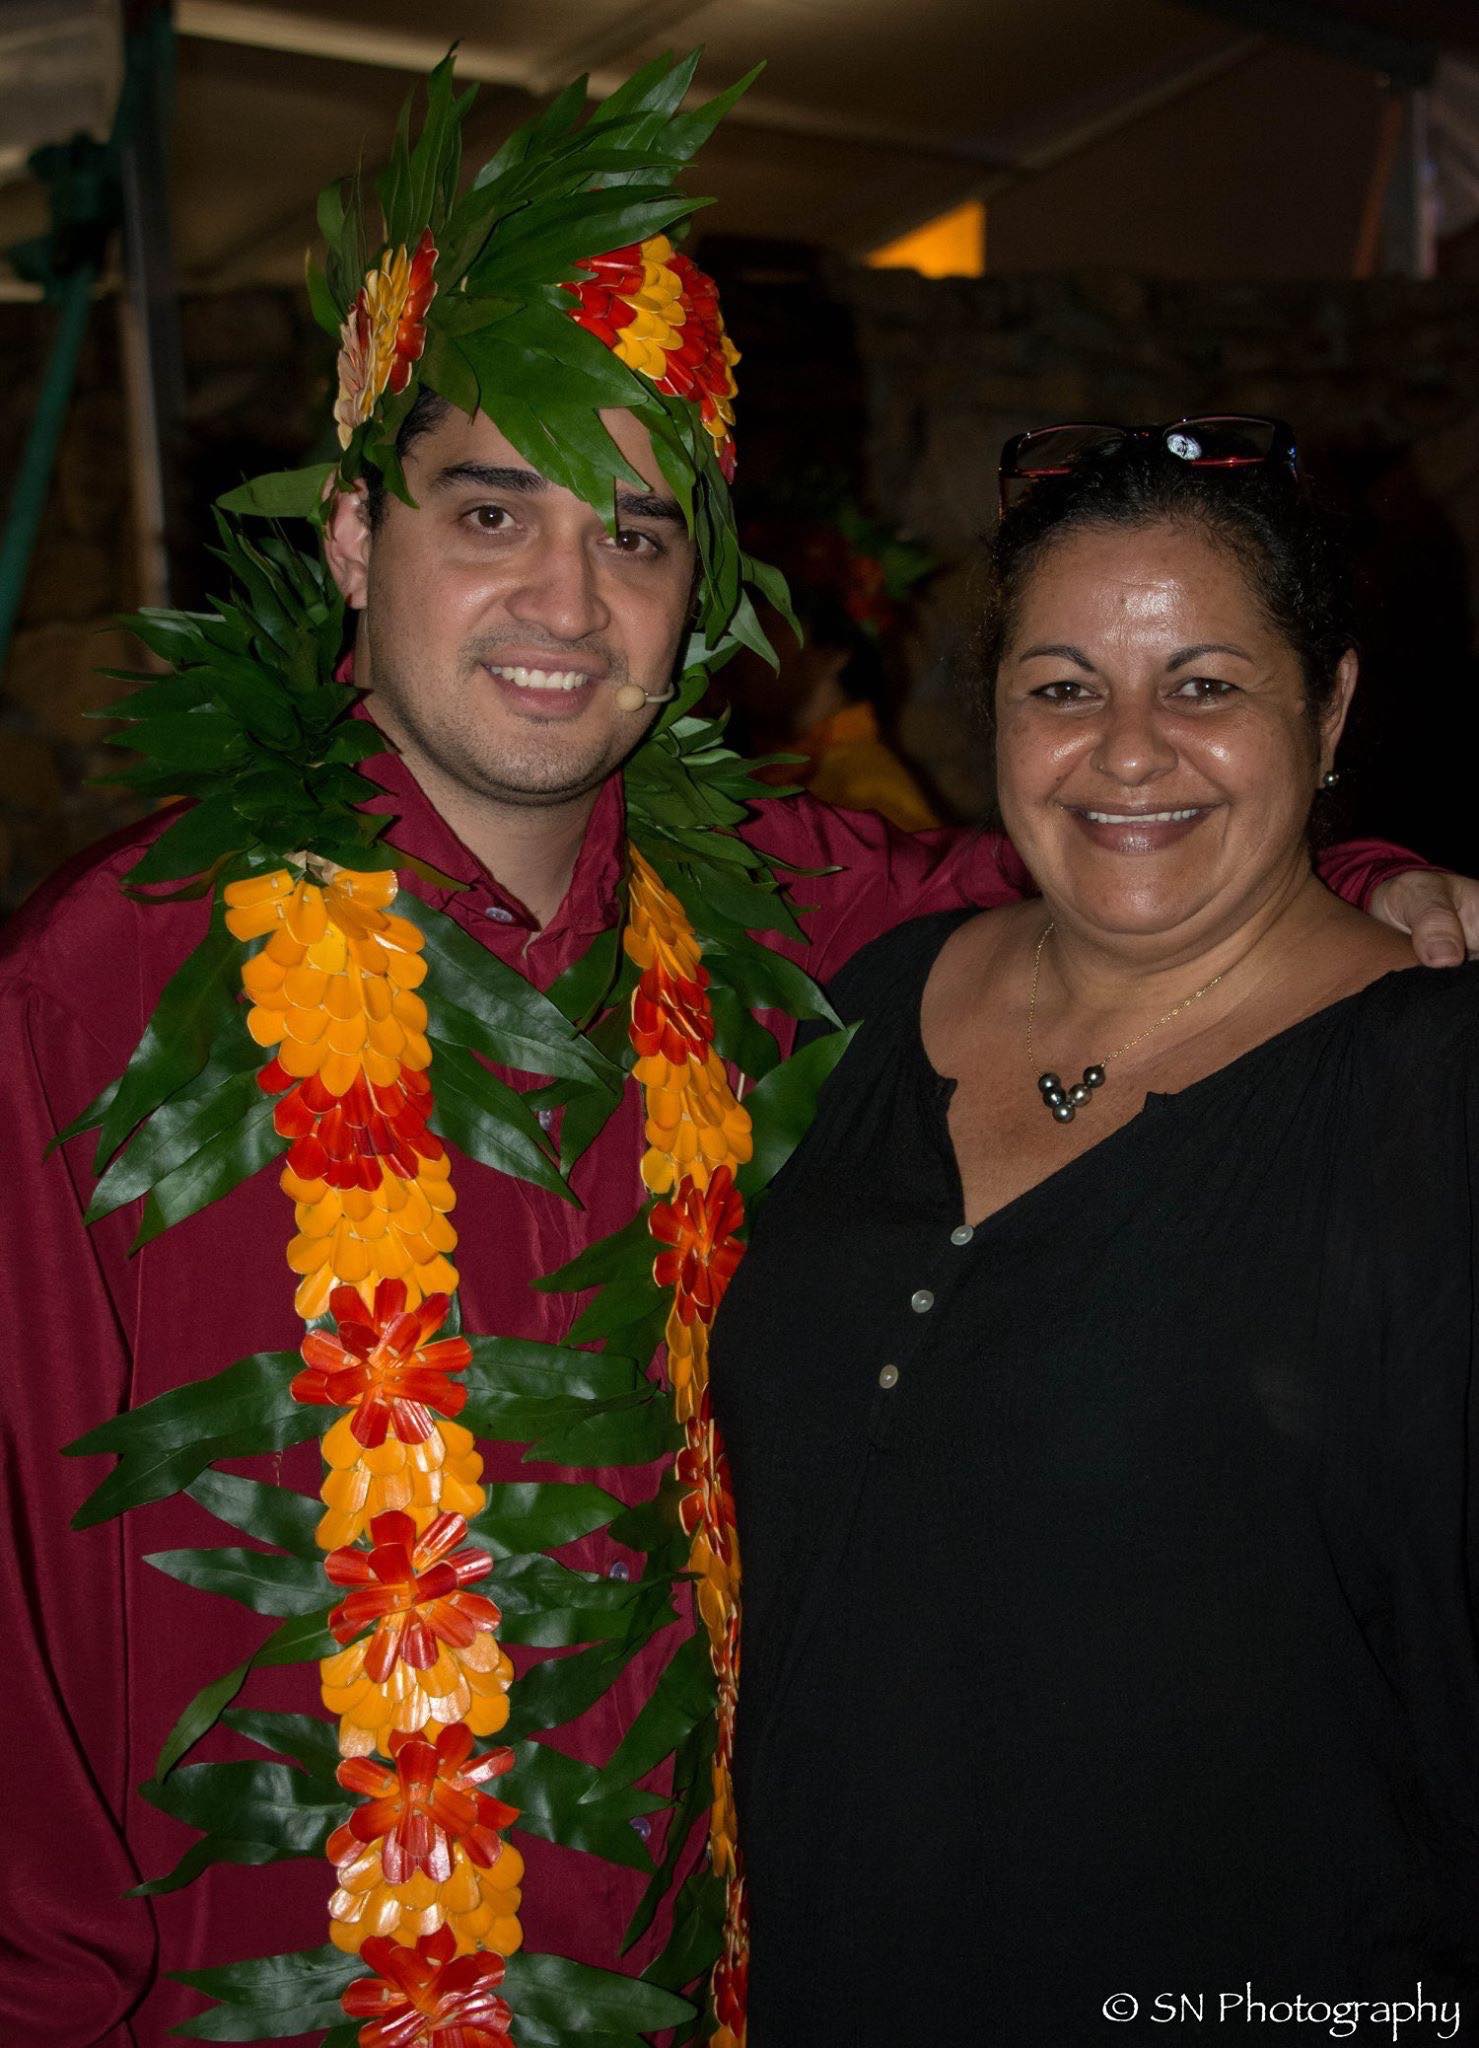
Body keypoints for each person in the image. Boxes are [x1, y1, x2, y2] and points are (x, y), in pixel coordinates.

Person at [0, 69, 1470, 2037]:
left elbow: (1091, 858)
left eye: (630, 527)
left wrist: (1369, 879)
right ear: (352, 534)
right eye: (486, 507)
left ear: (696, 592)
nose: (561, 597)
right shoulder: (92, 998)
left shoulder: (762, 915)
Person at [711, 419, 1479, 2045]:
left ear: (1328, 708)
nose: (1129, 753)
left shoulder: (1431, 1091)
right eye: (1064, 688)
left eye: (1204, 686)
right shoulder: (859, 1014)